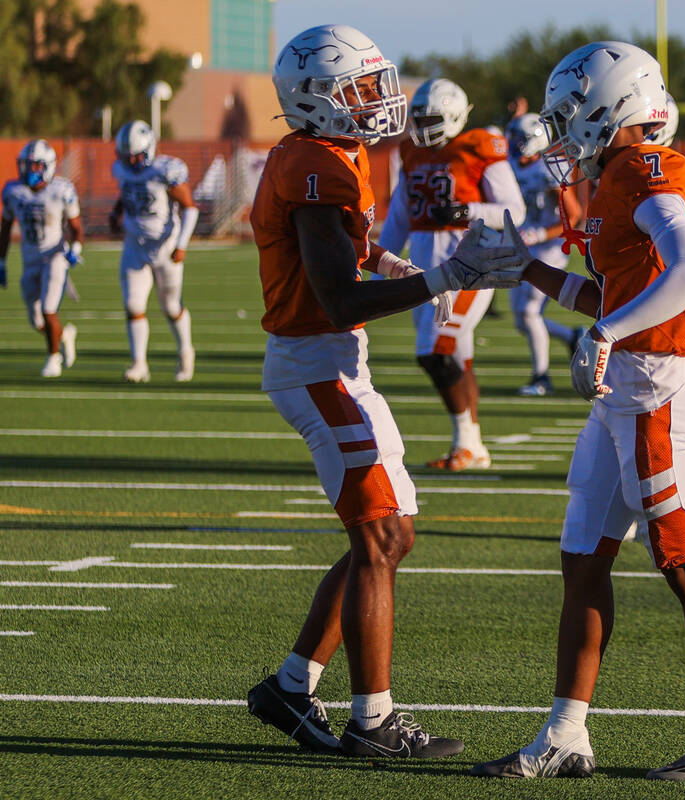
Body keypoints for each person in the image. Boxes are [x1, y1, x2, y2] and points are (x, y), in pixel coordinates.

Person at [469, 41, 685, 782]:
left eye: (570, 114)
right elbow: (614, 299)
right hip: (621, 394)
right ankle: (567, 734)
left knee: (684, 563)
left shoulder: (648, 168)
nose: (562, 132)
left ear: (610, 106)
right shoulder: (613, 178)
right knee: (582, 559)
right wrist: (525, 269)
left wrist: (605, 334)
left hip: (659, 389)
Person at [244, 23, 522, 758]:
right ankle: (374, 721)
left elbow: (348, 248)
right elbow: (337, 296)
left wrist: (393, 261)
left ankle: (291, 685)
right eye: (359, 89)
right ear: (315, 97)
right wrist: (440, 278)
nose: (377, 100)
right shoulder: (313, 163)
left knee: (391, 535)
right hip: (318, 362)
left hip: (338, 363)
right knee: (377, 537)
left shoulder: (333, 153)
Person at [378, 78, 526, 470]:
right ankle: (471, 445)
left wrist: (466, 212)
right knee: (457, 354)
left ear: (456, 116)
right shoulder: (410, 152)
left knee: (434, 352)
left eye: (432, 118)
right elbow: (399, 217)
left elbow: (515, 210)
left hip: (471, 265)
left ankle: (468, 442)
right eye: (419, 118)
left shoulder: (479, 147)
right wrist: (375, 266)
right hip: (427, 266)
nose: (423, 127)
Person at [109, 120, 199, 383]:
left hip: (165, 246)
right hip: (135, 245)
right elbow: (127, 191)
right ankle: (139, 364)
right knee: (133, 304)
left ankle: (185, 352)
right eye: (127, 156)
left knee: (171, 306)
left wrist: (182, 244)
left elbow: (190, 207)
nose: (131, 161)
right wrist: (116, 213)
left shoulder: (165, 170)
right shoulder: (122, 170)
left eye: (136, 155)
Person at [505, 112, 585, 396]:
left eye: (520, 139)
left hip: (549, 246)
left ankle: (541, 378)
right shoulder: (513, 165)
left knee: (528, 313)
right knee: (520, 319)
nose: (514, 144)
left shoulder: (550, 168)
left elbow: (573, 216)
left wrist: (540, 233)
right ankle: (573, 336)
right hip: (524, 245)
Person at [0, 139, 83, 378]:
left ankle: (53, 359)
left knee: (48, 309)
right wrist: (2, 261)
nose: (29, 170)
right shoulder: (13, 191)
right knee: (37, 320)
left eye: (35, 165)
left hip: (55, 256)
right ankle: (64, 335)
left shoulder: (61, 190)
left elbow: (77, 228)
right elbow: (5, 228)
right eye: (26, 165)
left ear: (48, 166)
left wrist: (74, 251)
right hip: (30, 259)